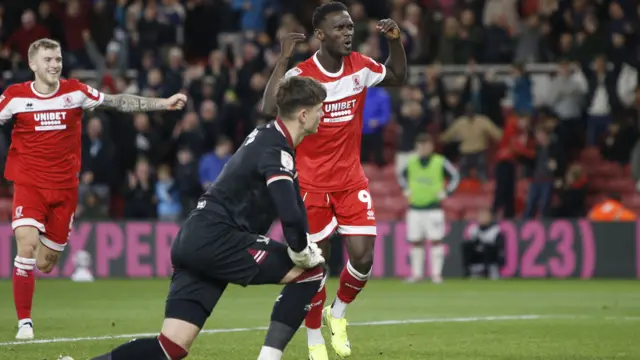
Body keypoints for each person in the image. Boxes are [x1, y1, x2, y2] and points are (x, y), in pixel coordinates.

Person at [89, 76, 328, 360]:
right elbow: (289, 215)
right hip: (220, 237)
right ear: (303, 115)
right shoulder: (275, 150)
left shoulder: (267, 136)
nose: (323, 114)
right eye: (319, 109)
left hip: (193, 237)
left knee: (171, 347)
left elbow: (294, 208)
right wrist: (301, 250)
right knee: (311, 273)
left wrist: (304, 239)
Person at [0, 38, 187, 340]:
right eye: (48, 59)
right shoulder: (15, 97)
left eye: (58, 58)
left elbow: (118, 101)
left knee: (46, 264)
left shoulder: (75, 92)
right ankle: (25, 323)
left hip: (65, 191)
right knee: (26, 246)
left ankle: (38, 278)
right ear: (33, 64)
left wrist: (161, 104)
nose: (54, 64)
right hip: (29, 185)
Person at [261, 2, 407, 358]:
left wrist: (396, 42)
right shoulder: (304, 75)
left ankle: (337, 313)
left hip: (350, 181)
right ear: (321, 35)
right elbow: (268, 109)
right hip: (310, 184)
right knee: (316, 265)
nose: (347, 33)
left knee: (364, 256)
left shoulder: (360, 66)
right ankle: (314, 339)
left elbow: (397, 76)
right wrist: (282, 61)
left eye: (350, 28)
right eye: (339, 29)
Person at [400, 134, 459, 283]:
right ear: (416, 147)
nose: (423, 149)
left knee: (436, 240)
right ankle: (416, 274)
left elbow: (455, 176)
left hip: (434, 208)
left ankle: (436, 275)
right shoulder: (411, 162)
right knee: (416, 241)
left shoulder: (440, 161)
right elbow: (401, 176)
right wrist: (406, 189)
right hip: (415, 207)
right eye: (420, 146)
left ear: (431, 147)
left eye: (426, 145)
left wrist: (447, 192)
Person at [461, 208, 505, 279]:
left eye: (485, 216)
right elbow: (472, 242)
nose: (482, 218)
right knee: (466, 246)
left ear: (490, 217)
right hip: (479, 255)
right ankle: (470, 270)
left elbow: (499, 246)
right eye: (481, 216)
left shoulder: (496, 229)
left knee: (488, 247)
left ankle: (490, 270)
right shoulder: (474, 229)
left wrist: (485, 244)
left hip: (492, 257)